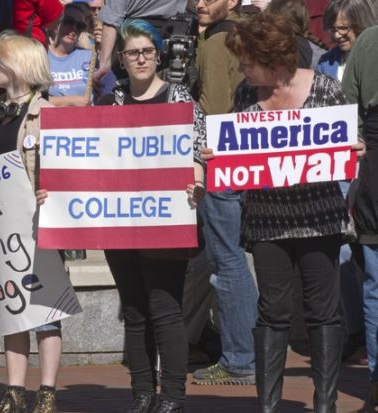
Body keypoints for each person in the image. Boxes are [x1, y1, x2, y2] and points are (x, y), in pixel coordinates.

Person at [220, 12, 362, 412]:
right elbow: (235, 150)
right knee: (272, 312)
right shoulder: (246, 95)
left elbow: (349, 139)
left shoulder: (325, 89)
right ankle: (269, 404)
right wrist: (217, 156)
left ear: (273, 57)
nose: (243, 68)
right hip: (268, 221)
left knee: (322, 311)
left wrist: (357, 147)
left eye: (248, 61)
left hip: (320, 218)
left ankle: (326, 402)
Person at [94, 19, 205, 413]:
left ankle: (172, 395)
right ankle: (141, 392)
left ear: (157, 54)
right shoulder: (109, 104)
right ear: (121, 59)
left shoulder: (180, 99)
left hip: (165, 220)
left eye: (146, 51)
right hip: (120, 222)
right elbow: (91, 162)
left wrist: (197, 181)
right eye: (131, 52)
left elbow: (197, 154)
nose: (139, 58)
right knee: (135, 309)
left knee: (165, 308)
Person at [0, 30, 62, 413]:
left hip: (38, 223)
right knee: (12, 310)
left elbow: (64, 170)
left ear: (18, 67)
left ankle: (46, 392)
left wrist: (52, 192)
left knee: (46, 312)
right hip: (3, 225)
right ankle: (14, 391)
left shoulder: (48, 112)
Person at [191, 0, 258, 387]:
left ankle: (239, 358)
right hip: (246, 161)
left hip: (224, 162)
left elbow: (213, 109)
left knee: (227, 261)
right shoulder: (243, 34)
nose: (200, 3)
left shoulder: (219, 43)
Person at [342, 21, 378, 409]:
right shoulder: (368, 40)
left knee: (375, 289)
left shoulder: (368, 40)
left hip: (374, 173)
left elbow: (346, 106)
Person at [317, 0, 378, 81]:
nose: (337, 35)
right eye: (333, 29)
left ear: (362, 24)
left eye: (343, 28)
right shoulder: (326, 62)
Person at [48, 3, 92, 107]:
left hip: (86, 119)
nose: (74, 29)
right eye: (68, 21)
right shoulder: (41, 57)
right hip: (51, 120)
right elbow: (32, 100)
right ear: (57, 22)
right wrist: (69, 101)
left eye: (80, 26)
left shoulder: (89, 57)